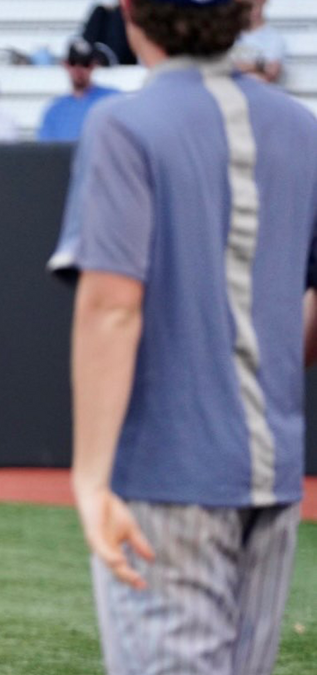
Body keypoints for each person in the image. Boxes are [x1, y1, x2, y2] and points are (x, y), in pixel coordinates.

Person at [47, 1, 317, 674]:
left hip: (168, 474)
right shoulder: (300, 125)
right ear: (251, 13)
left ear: (132, 12)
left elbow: (112, 305)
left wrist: (89, 479)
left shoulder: (124, 122)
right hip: (273, 475)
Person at [37, 39, 121, 142]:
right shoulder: (54, 111)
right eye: (73, 62)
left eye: (85, 63)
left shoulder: (112, 99)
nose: (78, 69)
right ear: (66, 65)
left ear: (93, 66)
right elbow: (47, 152)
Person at [232, 0, 286, 83]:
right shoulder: (228, 35)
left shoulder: (273, 38)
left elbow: (270, 74)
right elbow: (218, 68)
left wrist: (235, 69)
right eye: (245, 6)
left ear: (263, 4)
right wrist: (259, 66)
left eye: (254, 6)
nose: (250, 11)